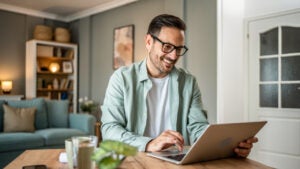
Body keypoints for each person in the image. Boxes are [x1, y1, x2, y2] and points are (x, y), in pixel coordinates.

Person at [101, 14, 257, 157]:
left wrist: (229, 146)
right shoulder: (122, 78)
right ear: (149, 42)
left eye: (178, 48)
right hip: (135, 157)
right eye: (167, 47)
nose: (173, 56)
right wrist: (149, 143)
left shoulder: (188, 82)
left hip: (175, 160)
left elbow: (198, 127)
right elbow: (109, 129)